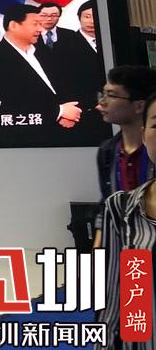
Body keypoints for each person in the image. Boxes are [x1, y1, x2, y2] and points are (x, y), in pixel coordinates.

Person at [96, 89, 156, 349]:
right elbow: (123, 303)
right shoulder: (119, 208)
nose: (103, 102)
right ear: (144, 134)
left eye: (112, 94)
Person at [0, 3, 81, 130]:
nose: (41, 29)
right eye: (35, 24)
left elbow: (62, 81)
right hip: (33, 130)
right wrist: (60, 112)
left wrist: (70, 111)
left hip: (68, 122)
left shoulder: (42, 50)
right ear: (14, 26)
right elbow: (15, 100)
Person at [93, 65, 156, 246]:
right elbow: (107, 205)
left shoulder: (152, 150)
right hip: (125, 243)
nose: (102, 103)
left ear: (139, 105)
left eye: (111, 95)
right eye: (103, 94)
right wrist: (98, 249)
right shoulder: (107, 151)